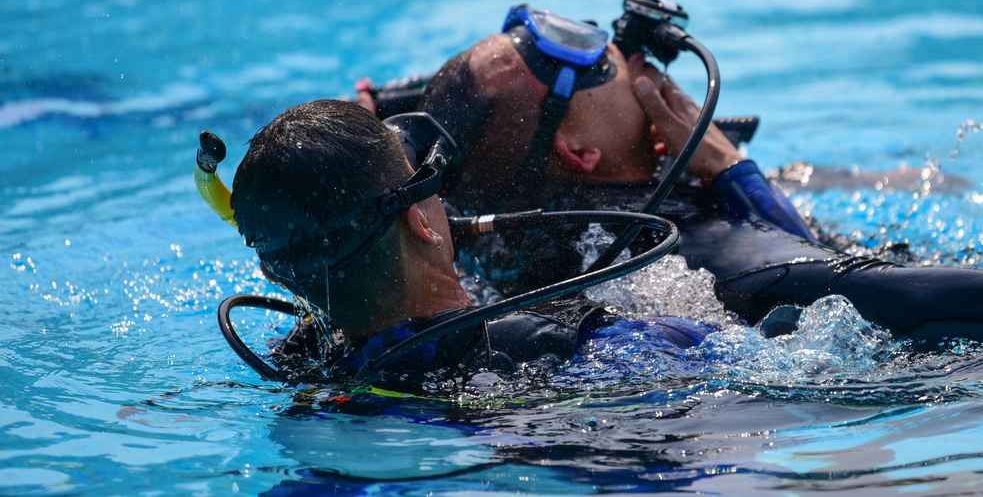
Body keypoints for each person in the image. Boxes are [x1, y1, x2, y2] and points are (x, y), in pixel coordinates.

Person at [353, 9, 983, 341]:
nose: (624, 54)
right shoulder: (697, 244)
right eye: (601, 66)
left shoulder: (484, 221)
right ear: (579, 155)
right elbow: (867, 288)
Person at [227, 98, 712, 385]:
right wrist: (734, 174)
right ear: (420, 220)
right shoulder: (570, 343)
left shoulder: (308, 365)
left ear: (273, 273)